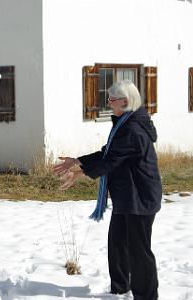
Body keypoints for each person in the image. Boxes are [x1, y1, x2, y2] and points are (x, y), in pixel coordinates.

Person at [53, 80, 161, 300]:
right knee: (117, 244)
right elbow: (108, 152)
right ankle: (120, 289)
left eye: (112, 100)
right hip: (127, 196)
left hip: (139, 198)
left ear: (125, 101)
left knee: (139, 252)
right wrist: (78, 161)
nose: (108, 103)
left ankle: (147, 296)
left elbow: (111, 160)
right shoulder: (125, 123)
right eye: (108, 99)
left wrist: (80, 172)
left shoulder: (132, 129)